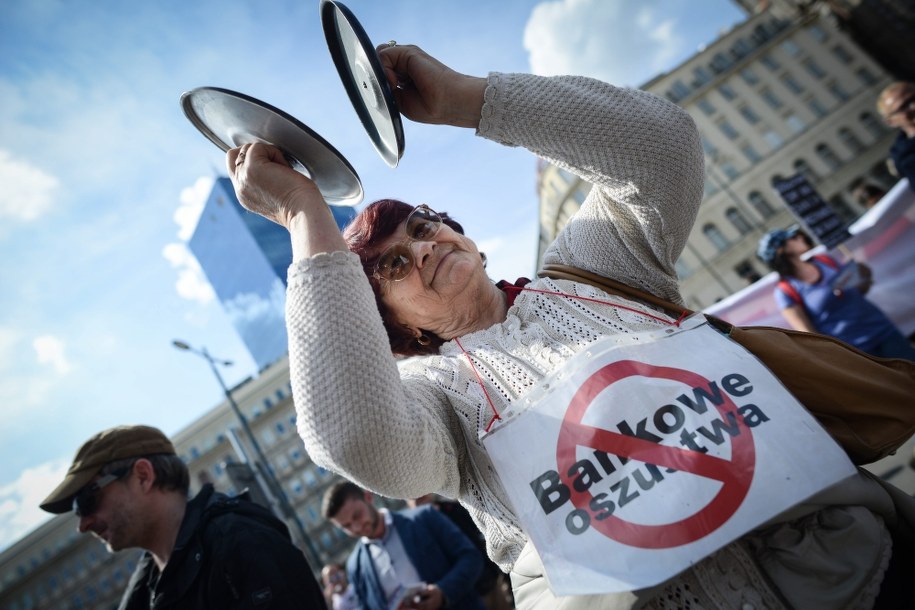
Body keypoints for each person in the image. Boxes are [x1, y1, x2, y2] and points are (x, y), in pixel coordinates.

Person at [226, 41, 913, 608]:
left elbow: (663, 147)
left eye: (425, 226)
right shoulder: (431, 400)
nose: (427, 246)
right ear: (394, 327)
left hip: (858, 574)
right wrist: (304, 221)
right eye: (395, 266)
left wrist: (467, 99)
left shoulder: (590, 269)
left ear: (466, 237)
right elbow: (353, 435)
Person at [39, 424, 327, 610]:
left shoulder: (240, 543)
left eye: (87, 500)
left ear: (142, 476)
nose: (83, 524)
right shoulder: (144, 591)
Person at [757, 225, 915, 361]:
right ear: (781, 250)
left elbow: (859, 291)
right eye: (792, 238)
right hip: (856, 353)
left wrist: (864, 277)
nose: (800, 237)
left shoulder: (824, 260)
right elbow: (810, 336)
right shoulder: (785, 291)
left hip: (883, 331)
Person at [322, 481, 485, 610]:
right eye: (347, 526)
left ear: (368, 497)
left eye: (357, 515)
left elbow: (471, 557)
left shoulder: (424, 517)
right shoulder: (354, 566)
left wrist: (443, 591)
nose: (356, 527)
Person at [407, 495, 513, 610]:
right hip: (460, 597)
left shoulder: (454, 509)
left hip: (489, 583)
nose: (418, 496)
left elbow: (480, 540)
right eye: (412, 495)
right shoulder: (411, 532)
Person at [878, 81, 915, 187]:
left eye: (913, 98)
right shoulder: (906, 158)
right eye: (904, 107)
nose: (913, 106)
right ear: (891, 121)